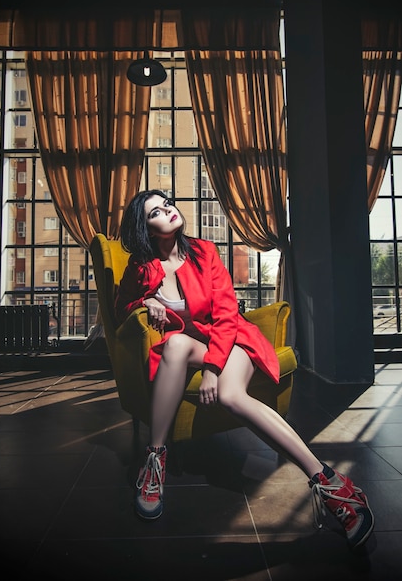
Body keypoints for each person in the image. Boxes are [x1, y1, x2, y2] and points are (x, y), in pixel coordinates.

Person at [115, 189, 374, 549]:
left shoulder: (204, 251)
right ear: (146, 228)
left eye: (168, 203)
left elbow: (224, 315)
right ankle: (154, 462)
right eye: (156, 212)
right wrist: (147, 300)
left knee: (231, 395)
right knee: (173, 344)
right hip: (189, 343)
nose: (169, 211)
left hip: (230, 339)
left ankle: (332, 484)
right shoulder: (141, 268)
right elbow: (120, 306)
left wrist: (211, 369)